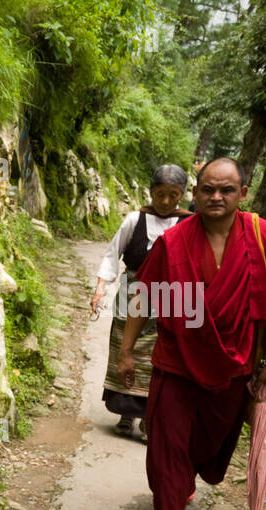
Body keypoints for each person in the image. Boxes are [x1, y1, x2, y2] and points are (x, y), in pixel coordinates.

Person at [118, 156, 266, 510]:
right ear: (195, 194)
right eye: (208, 190)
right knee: (167, 443)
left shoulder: (264, 237)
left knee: (208, 445)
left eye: (226, 190)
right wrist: (126, 352)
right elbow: (145, 300)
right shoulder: (175, 242)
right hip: (177, 364)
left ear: (242, 194)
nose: (216, 197)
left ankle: (184, 482)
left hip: (234, 370)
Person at [90, 165, 192, 438]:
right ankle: (126, 412)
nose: (167, 201)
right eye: (160, 194)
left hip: (170, 300)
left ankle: (149, 418)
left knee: (158, 360)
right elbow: (112, 256)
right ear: (151, 192)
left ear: (182, 195)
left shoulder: (189, 224)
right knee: (127, 351)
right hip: (132, 294)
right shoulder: (135, 220)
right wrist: (100, 289)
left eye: (174, 195)